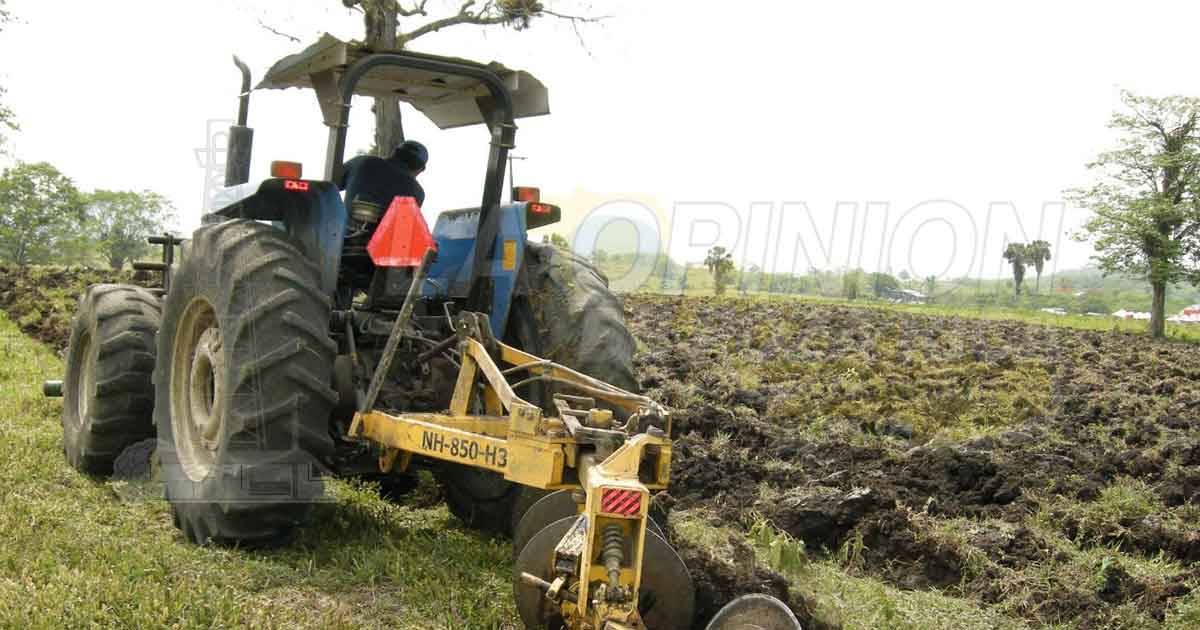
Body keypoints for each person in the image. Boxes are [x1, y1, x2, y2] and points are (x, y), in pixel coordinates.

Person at [338, 140, 428, 211]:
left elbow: (330, 185)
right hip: (380, 234)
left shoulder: (362, 162)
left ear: (394, 153)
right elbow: (402, 226)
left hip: (340, 232)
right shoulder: (417, 192)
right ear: (420, 169)